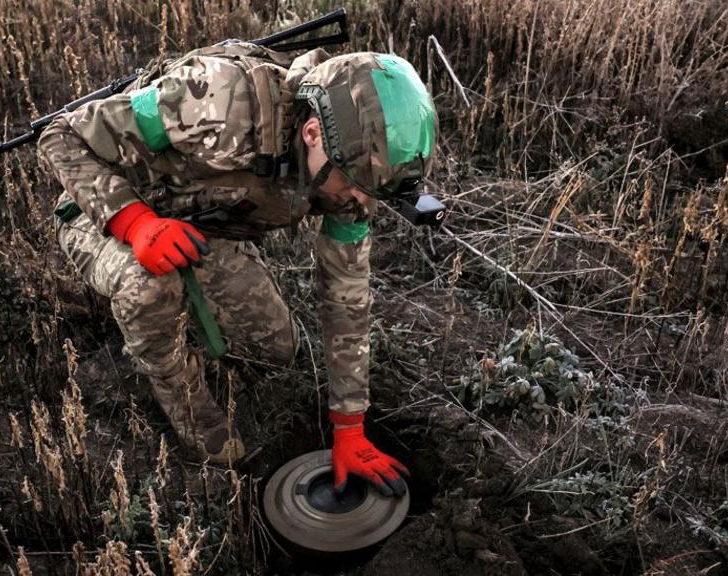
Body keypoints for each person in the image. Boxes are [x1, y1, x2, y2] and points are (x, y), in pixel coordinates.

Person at [37, 43, 436, 498]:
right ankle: (189, 408)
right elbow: (62, 136)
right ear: (311, 133)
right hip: (103, 213)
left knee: (277, 350)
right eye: (356, 188)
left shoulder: (356, 172)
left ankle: (188, 309)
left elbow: (345, 298)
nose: (360, 204)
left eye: (373, 194)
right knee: (147, 286)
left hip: (201, 228)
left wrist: (349, 425)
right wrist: (135, 223)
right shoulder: (213, 99)